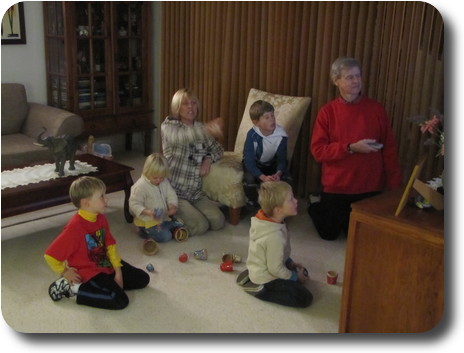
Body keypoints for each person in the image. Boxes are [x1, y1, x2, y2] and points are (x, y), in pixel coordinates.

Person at [308, 56, 402, 241]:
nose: (356, 81)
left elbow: (389, 149)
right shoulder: (327, 112)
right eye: (349, 77)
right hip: (337, 187)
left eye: (358, 76)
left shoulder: (376, 109)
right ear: (336, 81)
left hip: (369, 187)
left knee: (361, 237)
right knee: (329, 234)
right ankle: (315, 206)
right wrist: (350, 148)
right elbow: (318, 151)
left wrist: (395, 186)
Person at [44, 176, 150, 310]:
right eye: (101, 197)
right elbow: (50, 255)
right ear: (86, 203)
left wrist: (118, 272)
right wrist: (65, 272)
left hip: (105, 264)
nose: (106, 199)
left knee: (143, 279)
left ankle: (105, 285)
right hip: (88, 271)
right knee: (120, 301)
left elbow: (110, 245)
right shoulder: (74, 228)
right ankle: (74, 289)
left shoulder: (100, 218)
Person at [237, 181, 313, 308]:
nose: (296, 201)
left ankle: (252, 274)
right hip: (267, 278)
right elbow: (275, 269)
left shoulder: (270, 221)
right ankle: (258, 288)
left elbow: (276, 253)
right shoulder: (274, 237)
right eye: (291, 199)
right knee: (304, 298)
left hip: (269, 265)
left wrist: (289, 262)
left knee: (301, 272)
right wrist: (295, 277)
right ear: (278, 210)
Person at [161, 88, 225, 236]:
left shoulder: (200, 128)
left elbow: (218, 149)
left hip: (195, 193)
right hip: (174, 193)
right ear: (177, 107)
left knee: (218, 221)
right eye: (185, 104)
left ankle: (186, 215)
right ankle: (169, 217)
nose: (190, 107)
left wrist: (208, 160)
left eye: (193, 103)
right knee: (200, 226)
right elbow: (182, 137)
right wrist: (208, 129)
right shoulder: (169, 126)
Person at [242, 100, 292, 207]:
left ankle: (279, 208)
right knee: (249, 180)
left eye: (272, 116)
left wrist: (278, 173)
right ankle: (255, 205)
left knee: (287, 179)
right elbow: (248, 160)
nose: (272, 120)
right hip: (255, 164)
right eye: (267, 117)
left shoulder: (281, 135)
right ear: (256, 123)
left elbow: (282, 159)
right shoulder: (252, 135)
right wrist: (263, 177)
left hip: (271, 164)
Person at [129, 152, 186, 243]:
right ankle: (142, 231)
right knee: (165, 237)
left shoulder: (164, 182)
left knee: (181, 223)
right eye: (155, 178)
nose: (159, 180)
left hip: (164, 218)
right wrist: (148, 212)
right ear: (147, 172)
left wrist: (172, 206)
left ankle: (168, 228)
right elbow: (133, 204)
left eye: (161, 177)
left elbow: (171, 194)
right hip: (148, 222)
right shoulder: (140, 186)